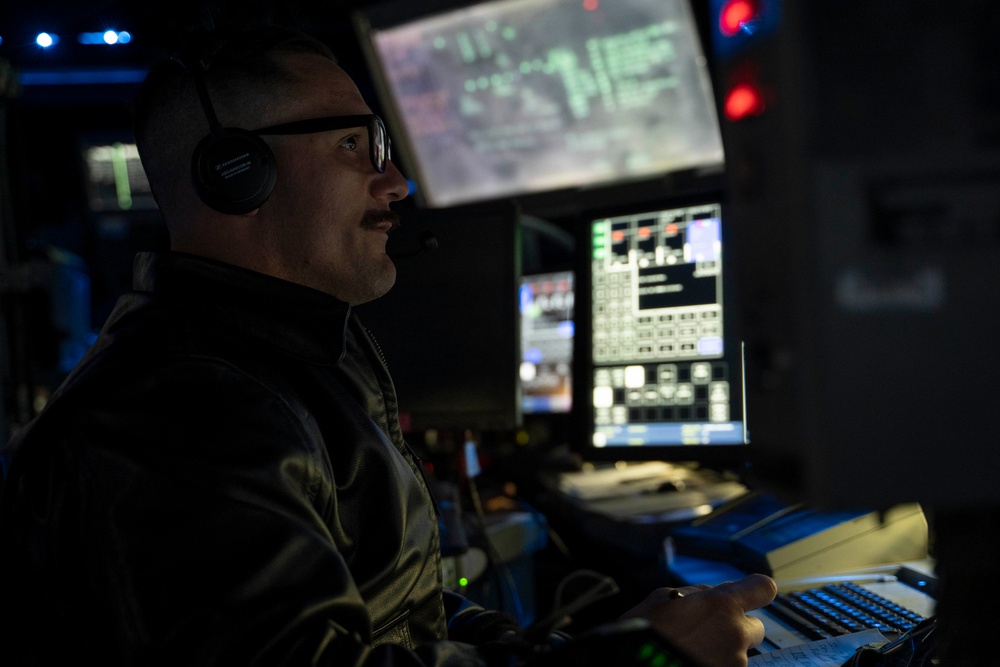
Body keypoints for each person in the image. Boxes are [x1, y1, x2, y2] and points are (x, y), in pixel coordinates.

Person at [0, 24, 776, 667]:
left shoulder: (290, 356)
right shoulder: (172, 412)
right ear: (238, 172)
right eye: (355, 146)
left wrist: (590, 646)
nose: (397, 181)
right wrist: (640, 663)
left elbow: (397, 606)